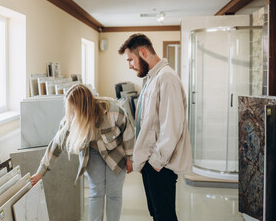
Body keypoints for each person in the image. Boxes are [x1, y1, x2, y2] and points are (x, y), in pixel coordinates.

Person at [30, 84, 135, 221]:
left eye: (73, 110)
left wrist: (130, 158)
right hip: (92, 153)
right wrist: (40, 172)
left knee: (114, 193)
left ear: (83, 108)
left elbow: (129, 131)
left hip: (116, 153)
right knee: (96, 193)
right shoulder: (71, 120)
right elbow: (56, 145)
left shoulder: (112, 111)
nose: (70, 114)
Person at [118, 33, 192, 221]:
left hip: (161, 164)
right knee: (157, 214)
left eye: (131, 60)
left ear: (142, 52)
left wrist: (156, 163)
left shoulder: (167, 78)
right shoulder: (151, 78)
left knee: (164, 216)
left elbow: (172, 127)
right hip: (151, 162)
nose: (130, 65)